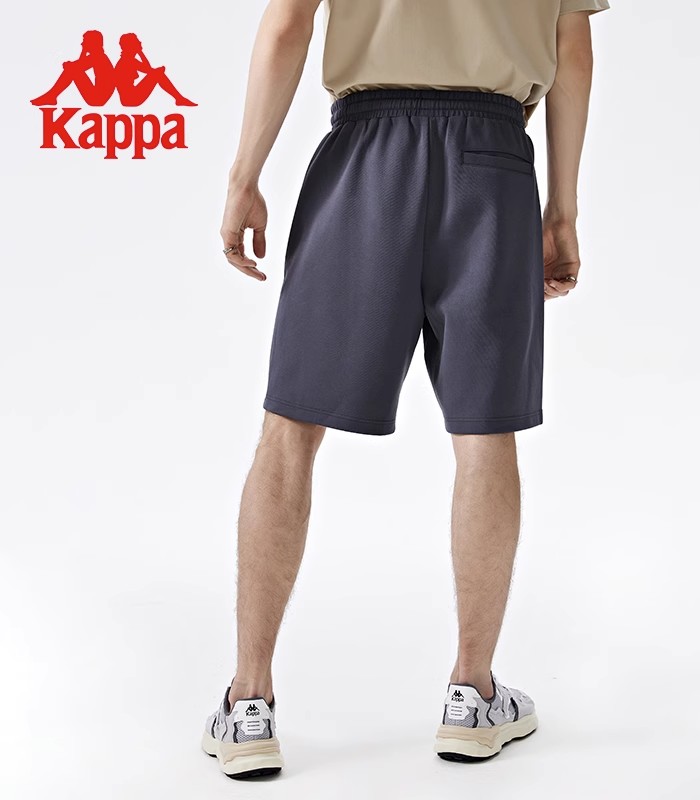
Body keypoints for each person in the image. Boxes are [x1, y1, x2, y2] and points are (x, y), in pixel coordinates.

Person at [205, 0, 609, 778]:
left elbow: (287, 24)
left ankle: (248, 703)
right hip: (493, 160)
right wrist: (562, 207)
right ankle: (472, 694)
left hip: (368, 154)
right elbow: (572, 43)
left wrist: (243, 176)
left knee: (291, 427)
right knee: (484, 431)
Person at [30, 30, 116, 107]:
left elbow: (77, 66)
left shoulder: (98, 57)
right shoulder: (99, 56)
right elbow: (79, 65)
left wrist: (70, 63)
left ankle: (51, 96)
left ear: (92, 43)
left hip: (97, 99)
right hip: (98, 98)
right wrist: (81, 53)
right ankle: (51, 96)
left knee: (71, 69)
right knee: (72, 69)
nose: (82, 44)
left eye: (84, 41)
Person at [113, 33, 197, 107]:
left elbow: (148, 69)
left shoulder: (128, 60)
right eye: (137, 41)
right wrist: (140, 52)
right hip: (131, 99)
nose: (140, 42)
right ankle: (179, 99)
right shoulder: (127, 61)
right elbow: (149, 70)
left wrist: (156, 70)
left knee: (157, 73)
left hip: (129, 99)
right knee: (158, 74)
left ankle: (179, 99)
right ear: (132, 45)